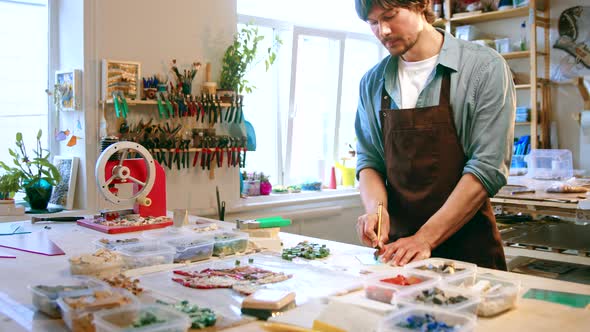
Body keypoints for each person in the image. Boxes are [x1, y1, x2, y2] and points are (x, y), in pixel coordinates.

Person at [354, 0, 515, 270]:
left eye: (390, 16)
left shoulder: (483, 68)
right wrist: (376, 213)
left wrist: (424, 239)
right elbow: (369, 161)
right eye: (373, 23)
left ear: (422, 4)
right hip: (399, 256)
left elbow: (487, 167)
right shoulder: (372, 82)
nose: (383, 31)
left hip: (470, 255)